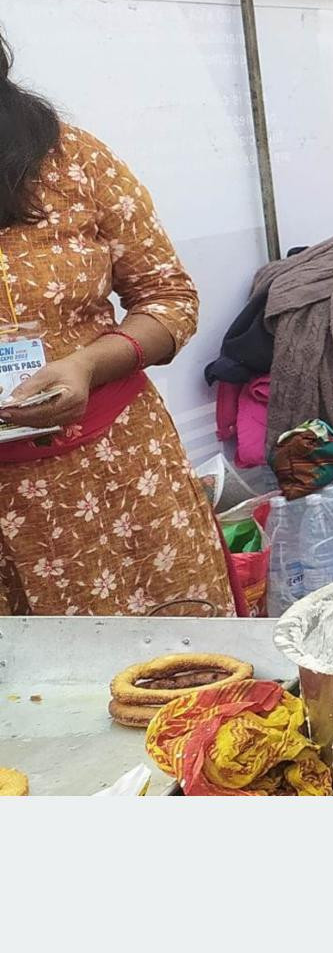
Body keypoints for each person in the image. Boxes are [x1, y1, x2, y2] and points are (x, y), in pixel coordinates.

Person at [0, 30, 232, 617]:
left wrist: (86, 364)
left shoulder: (72, 162)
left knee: (173, 656)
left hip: (115, 481)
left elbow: (169, 299)